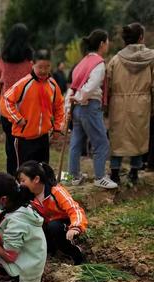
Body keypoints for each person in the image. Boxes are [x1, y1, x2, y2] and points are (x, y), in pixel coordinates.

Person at [66, 30, 117, 189]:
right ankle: (100, 177)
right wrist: (81, 97)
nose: (108, 45)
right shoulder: (98, 63)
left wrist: (70, 105)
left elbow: (73, 87)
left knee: (75, 143)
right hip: (89, 106)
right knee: (101, 143)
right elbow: (91, 86)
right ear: (102, 44)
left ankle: (72, 176)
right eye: (107, 42)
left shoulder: (81, 63)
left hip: (76, 108)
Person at [107, 22, 154, 184]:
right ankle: (134, 172)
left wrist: (106, 107)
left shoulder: (115, 60)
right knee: (138, 137)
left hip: (118, 103)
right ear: (141, 37)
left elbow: (108, 84)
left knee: (117, 137)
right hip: (142, 102)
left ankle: (114, 172)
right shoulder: (151, 58)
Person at [2, 49, 64, 168]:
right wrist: (18, 119)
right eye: (40, 67)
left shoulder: (52, 85)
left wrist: (57, 128)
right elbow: (6, 100)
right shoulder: (24, 84)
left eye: (47, 67)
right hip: (24, 138)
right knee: (25, 174)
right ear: (32, 64)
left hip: (43, 138)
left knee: (42, 171)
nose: (43, 71)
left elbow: (59, 106)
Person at [17, 161, 87, 264]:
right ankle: (51, 251)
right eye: (19, 181)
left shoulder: (56, 191)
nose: (20, 184)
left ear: (36, 179)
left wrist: (75, 227)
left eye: (23, 181)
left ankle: (75, 253)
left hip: (64, 225)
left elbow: (74, 209)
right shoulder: (29, 196)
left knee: (54, 226)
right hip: (47, 224)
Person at [0, 23, 34, 175]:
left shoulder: (2, 59)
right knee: (27, 148)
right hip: (26, 111)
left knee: (11, 148)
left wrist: (0, 94)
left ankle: (12, 179)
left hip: (7, 110)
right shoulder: (30, 60)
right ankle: (26, 180)